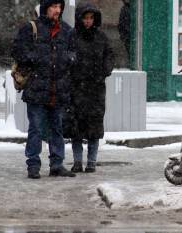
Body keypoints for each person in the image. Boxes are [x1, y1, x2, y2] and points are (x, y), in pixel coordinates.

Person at [11, 0, 76, 179]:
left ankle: (57, 163)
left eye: (59, 7)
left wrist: (68, 60)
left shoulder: (67, 30)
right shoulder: (31, 28)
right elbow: (18, 51)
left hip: (58, 88)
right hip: (37, 87)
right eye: (53, 7)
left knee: (57, 128)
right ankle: (33, 164)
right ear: (45, 9)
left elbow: (73, 53)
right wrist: (37, 58)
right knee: (36, 128)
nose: (57, 10)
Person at [64, 3, 114, 173]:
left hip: (95, 89)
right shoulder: (72, 36)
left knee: (94, 127)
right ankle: (77, 161)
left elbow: (109, 56)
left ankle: (91, 162)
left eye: (91, 18)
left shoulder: (101, 37)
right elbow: (66, 56)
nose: (88, 21)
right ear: (80, 18)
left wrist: (103, 72)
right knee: (75, 128)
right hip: (76, 88)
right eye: (85, 18)